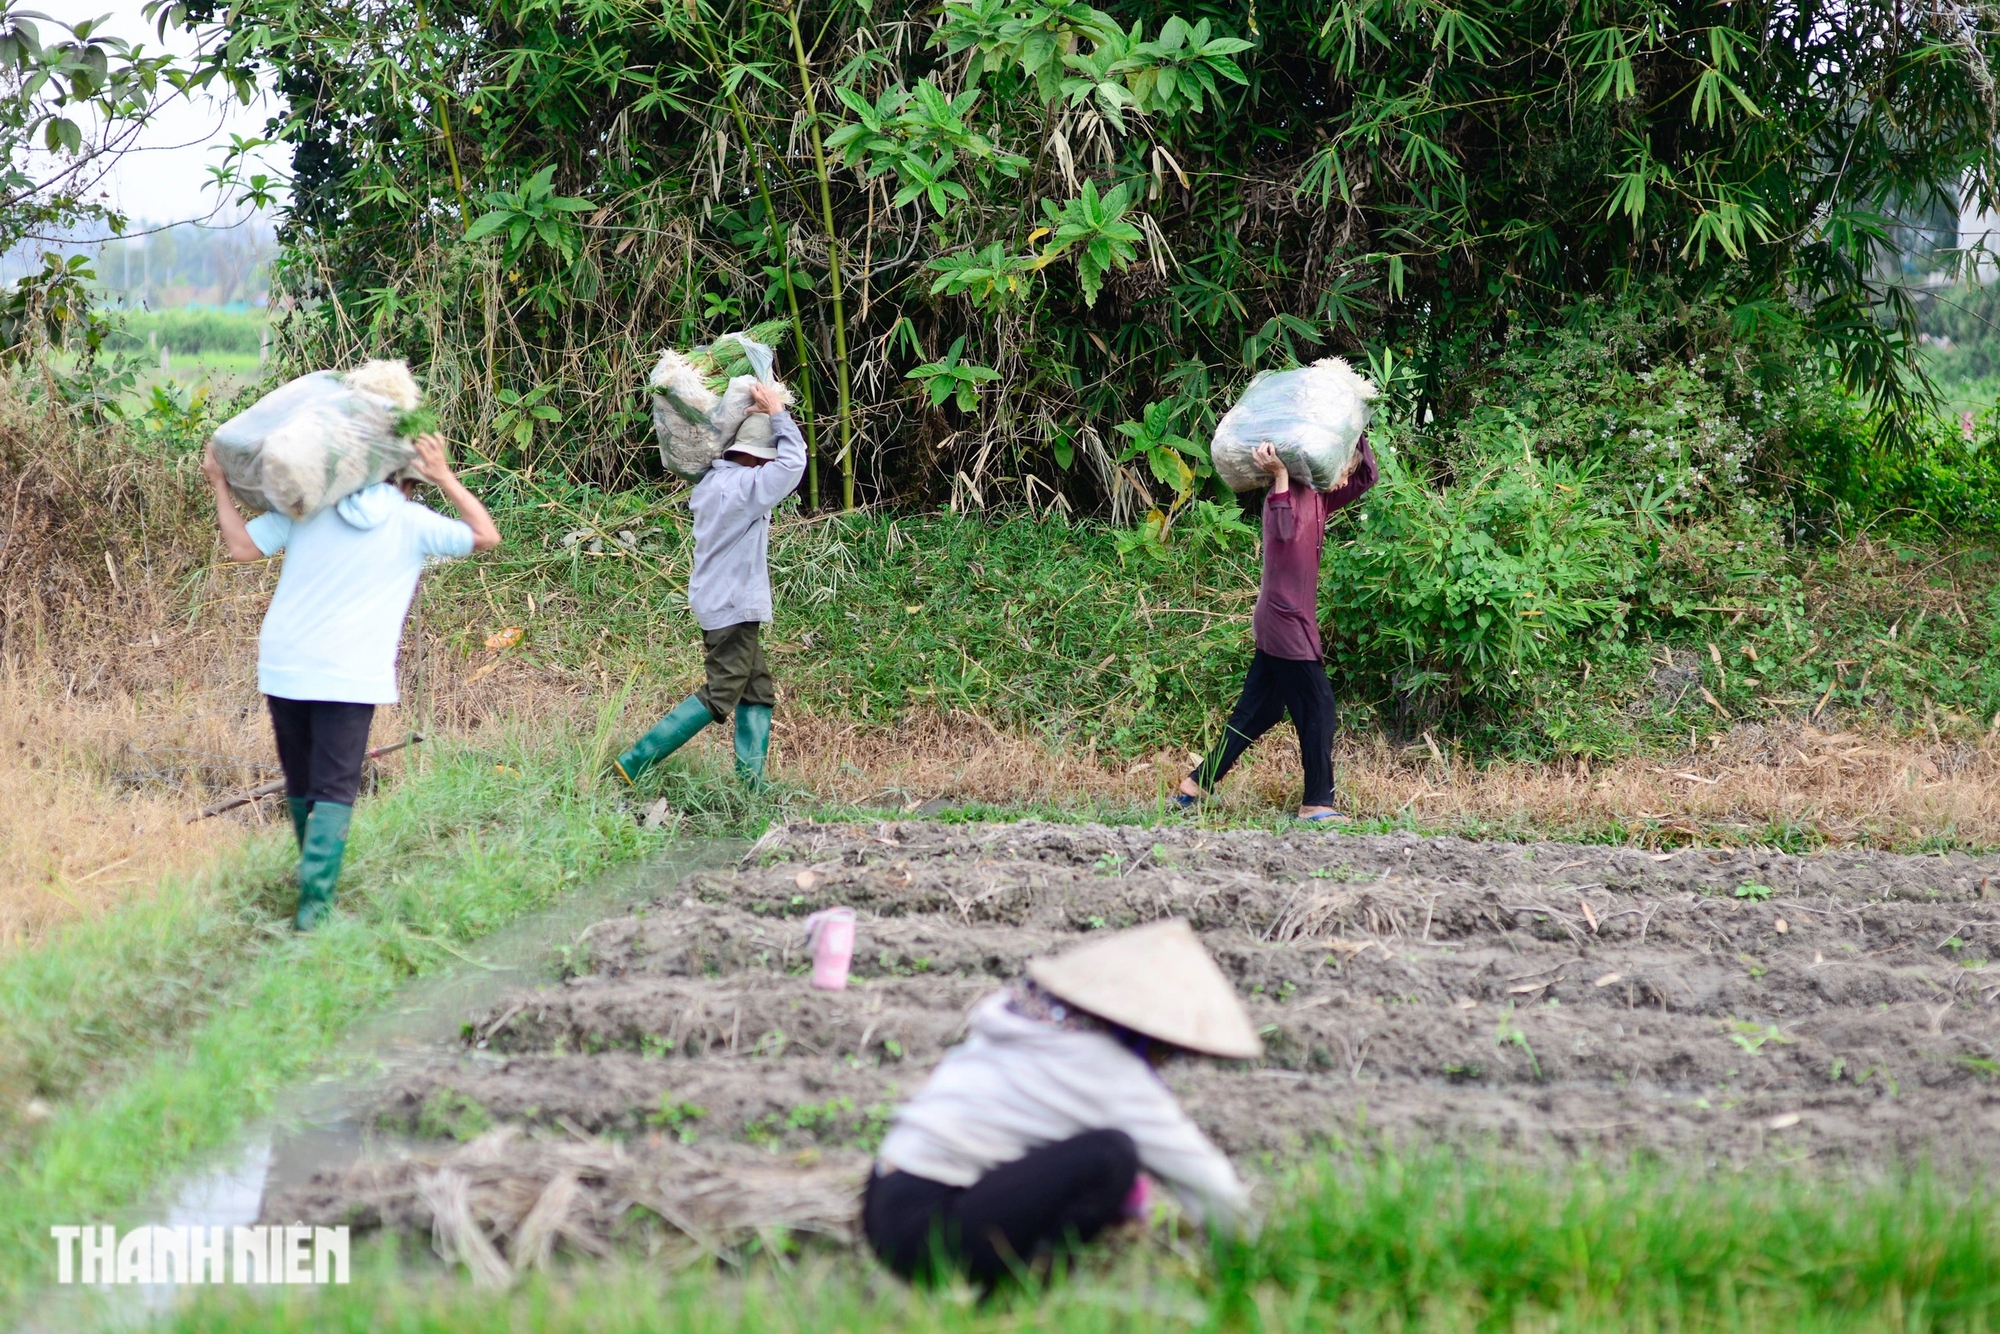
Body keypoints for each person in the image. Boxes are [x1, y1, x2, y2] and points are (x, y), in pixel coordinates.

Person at [202, 432, 501, 930]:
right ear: (407, 476)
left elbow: (240, 547)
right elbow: (485, 535)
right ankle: (314, 913)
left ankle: (311, 889)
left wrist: (218, 482)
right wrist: (445, 476)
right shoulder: (412, 522)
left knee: (301, 781)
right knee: (336, 787)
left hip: (286, 662)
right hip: (350, 671)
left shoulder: (308, 509)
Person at [864, 919, 1257, 1289]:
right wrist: (1260, 1261)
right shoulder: (1104, 1070)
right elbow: (1207, 1185)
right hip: (929, 1229)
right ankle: (1017, 1305)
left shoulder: (1026, 1020)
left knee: (1091, 1154)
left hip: (885, 1199)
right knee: (1109, 1156)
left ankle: (1002, 1308)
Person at [613, 381, 803, 788]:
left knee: (758, 690)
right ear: (756, 460)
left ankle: (750, 786)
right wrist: (777, 415)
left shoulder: (711, 484)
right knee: (721, 694)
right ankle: (635, 760)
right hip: (733, 606)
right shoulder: (748, 488)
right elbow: (793, 464)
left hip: (715, 601)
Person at [1177, 436, 1377, 821]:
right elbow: (1284, 534)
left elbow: (1368, 475)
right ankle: (1317, 803)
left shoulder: (1321, 498)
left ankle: (1197, 784)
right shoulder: (1281, 499)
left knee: (1261, 709)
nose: (1343, 479)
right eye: (1341, 470)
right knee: (1318, 705)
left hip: (1280, 620)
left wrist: (1351, 425)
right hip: (1286, 623)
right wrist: (1282, 474)